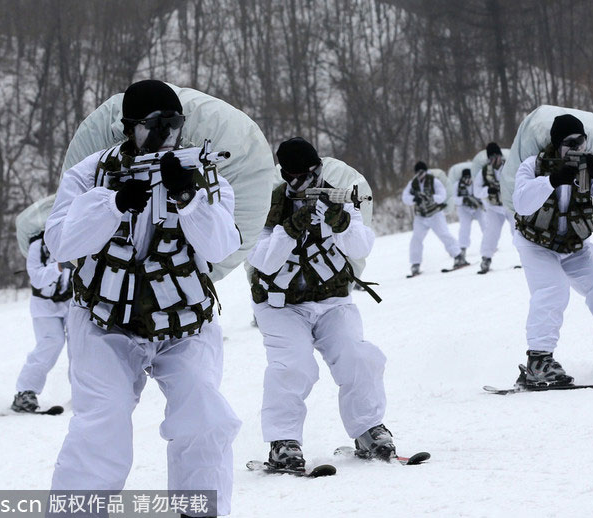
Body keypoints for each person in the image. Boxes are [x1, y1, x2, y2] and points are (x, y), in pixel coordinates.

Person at [44, 79, 241, 516]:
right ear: (130, 126)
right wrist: (112, 203)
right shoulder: (90, 173)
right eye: (156, 125)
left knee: (205, 420)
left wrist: (190, 197)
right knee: (102, 426)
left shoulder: (201, 174)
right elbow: (59, 243)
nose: (167, 135)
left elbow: (221, 246)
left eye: (175, 124)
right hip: (104, 323)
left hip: (184, 324)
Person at [248, 137, 394, 470]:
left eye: (314, 173)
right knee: (293, 366)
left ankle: (368, 429)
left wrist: (339, 220)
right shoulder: (269, 204)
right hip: (280, 305)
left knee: (358, 357)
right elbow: (265, 262)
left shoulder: (339, 195)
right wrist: (290, 228)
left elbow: (361, 246)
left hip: (332, 301)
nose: (309, 182)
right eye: (300, 177)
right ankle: (283, 442)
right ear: (287, 176)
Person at [511, 113, 593, 386]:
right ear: (556, 145)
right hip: (536, 244)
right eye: (569, 142)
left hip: (573, 245)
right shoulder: (533, 166)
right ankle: (539, 360)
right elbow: (522, 203)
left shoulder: (588, 163)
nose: (576, 147)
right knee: (553, 289)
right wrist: (552, 180)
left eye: (580, 141)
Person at [11, 234, 72, 413]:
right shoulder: (37, 245)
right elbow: (37, 278)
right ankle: (25, 393)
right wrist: (59, 266)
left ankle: (83, 392)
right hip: (44, 305)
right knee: (51, 342)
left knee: (79, 344)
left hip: (70, 301)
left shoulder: (74, 238)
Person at [401, 161, 463, 276]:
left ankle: (458, 256)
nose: (420, 174)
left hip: (435, 214)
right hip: (421, 216)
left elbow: (442, 195)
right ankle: (415, 264)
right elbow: (405, 197)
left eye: (422, 172)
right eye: (418, 172)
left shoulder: (433, 180)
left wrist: (431, 197)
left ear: (425, 171)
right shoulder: (413, 183)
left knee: (444, 234)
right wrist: (414, 199)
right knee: (416, 239)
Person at [474, 143, 516, 274]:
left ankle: (527, 257)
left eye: (494, 156)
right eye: (490, 157)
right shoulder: (484, 171)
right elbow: (476, 191)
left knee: (518, 230)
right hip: (494, 207)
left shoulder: (510, 166)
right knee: (491, 232)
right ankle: (486, 259)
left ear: (499, 156)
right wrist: (487, 190)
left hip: (510, 205)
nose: (492, 160)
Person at [451, 167, 486, 267]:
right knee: (464, 229)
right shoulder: (457, 185)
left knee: (485, 224)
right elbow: (454, 199)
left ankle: (489, 246)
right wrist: (464, 199)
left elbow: (481, 194)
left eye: (468, 177)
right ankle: (462, 250)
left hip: (477, 208)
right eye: (465, 177)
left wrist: (478, 201)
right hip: (464, 209)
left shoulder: (475, 182)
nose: (467, 179)